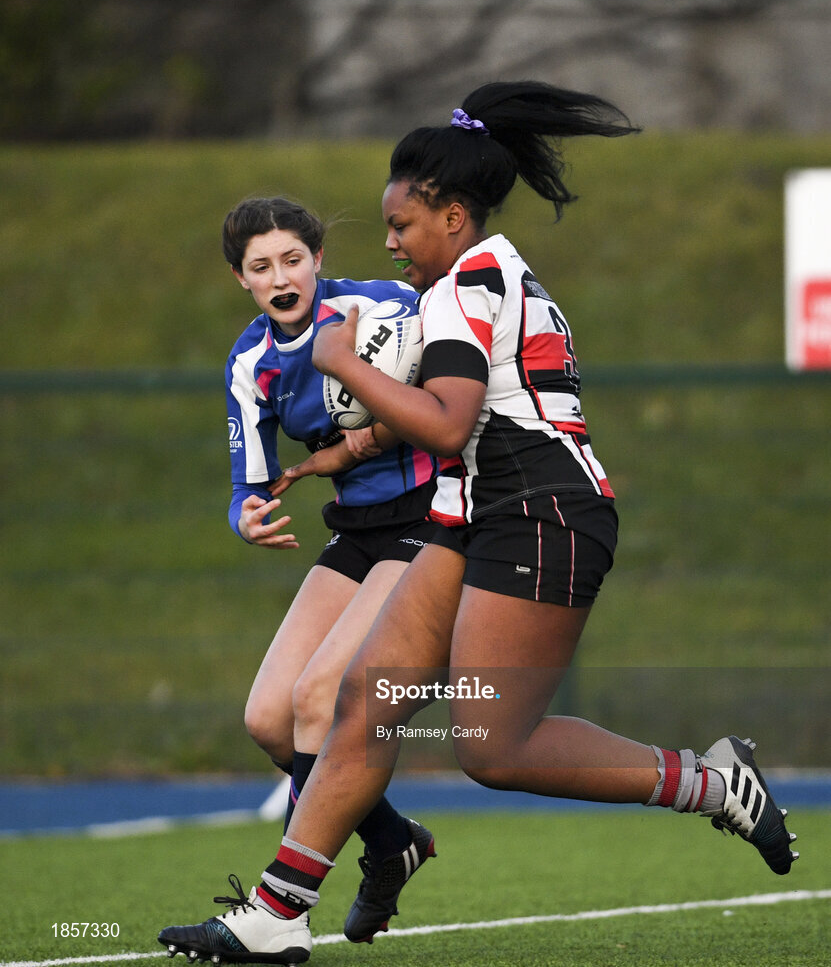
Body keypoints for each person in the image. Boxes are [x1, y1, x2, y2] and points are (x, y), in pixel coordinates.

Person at [159, 83, 798, 965]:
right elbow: (446, 410)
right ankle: (277, 911)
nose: (388, 242)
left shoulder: (469, 282)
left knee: (492, 750)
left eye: (401, 225)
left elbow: (450, 422)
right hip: (472, 513)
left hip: (539, 510)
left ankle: (709, 781)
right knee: (365, 702)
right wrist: (341, 456)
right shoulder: (468, 277)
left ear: (452, 217)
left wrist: (341, 360)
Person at [208, 194, 445, 935]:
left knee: (321, 698)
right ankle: (392, 843)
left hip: (432, 517)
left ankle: (279, 910)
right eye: (259, 266)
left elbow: (450, 391)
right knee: (268, 720)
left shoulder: (387, 305)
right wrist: (245, 519)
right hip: (357, 530)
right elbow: (249, 485)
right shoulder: (250, 362)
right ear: (241, 280)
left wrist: (364, 440)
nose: (279, 276)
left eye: (291, 259)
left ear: (316, 261)